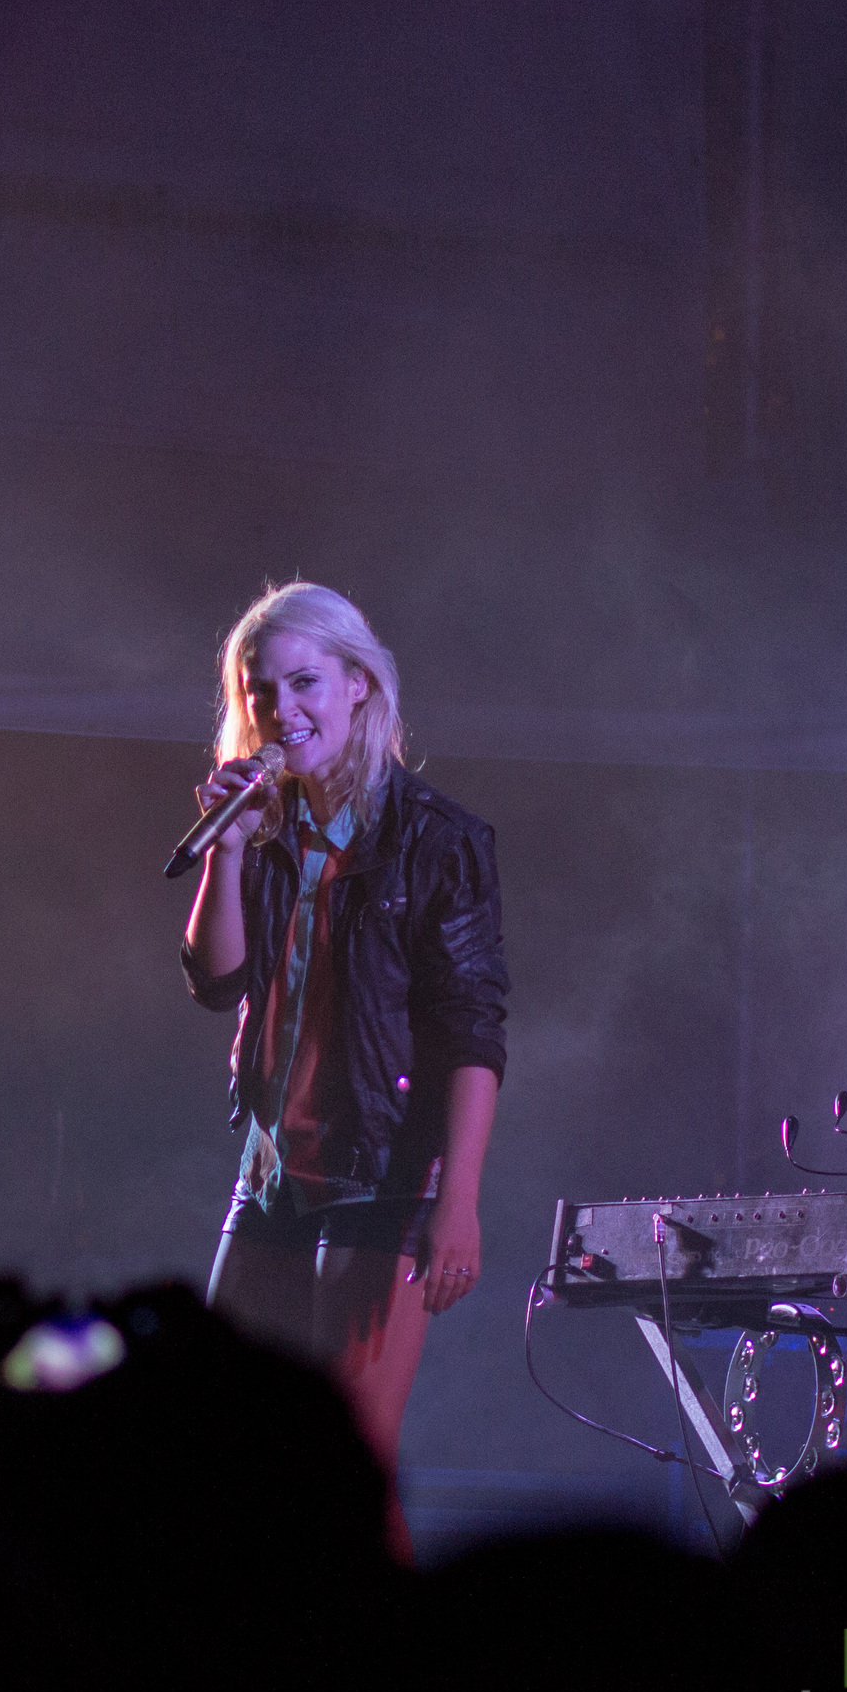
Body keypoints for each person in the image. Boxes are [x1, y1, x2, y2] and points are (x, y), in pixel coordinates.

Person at [180, 581, 506, 1552]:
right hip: (272, 1174)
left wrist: (458, 1204)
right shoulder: (264, 830)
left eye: (306, 683)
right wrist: (225, 855)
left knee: (347, 1463)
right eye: (263, 692)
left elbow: (473, 1032)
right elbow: (213, 981)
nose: (286, 712)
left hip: (384, 1174)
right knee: (227, 1444)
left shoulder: (437, 840)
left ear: (361, 685)